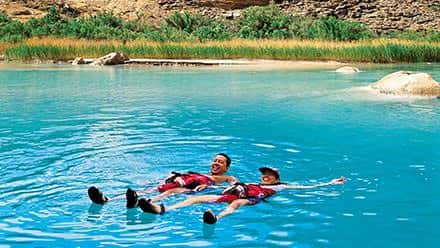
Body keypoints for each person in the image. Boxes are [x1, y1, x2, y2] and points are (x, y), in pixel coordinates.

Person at [138, 167, 345, 224]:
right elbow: (232, 185)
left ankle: (216, 219)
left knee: (237, 203)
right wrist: (205, 188)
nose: (265, 178)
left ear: (275, 179)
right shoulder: (252, 182)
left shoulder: (282, 186)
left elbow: (306, 189)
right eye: (264, 175)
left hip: (251, 199)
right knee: (194, 198)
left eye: (269, 176)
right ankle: (160, 209)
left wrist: (330, 183)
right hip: (235, 193)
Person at [88, 153, 238, 208]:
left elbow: (235, 187)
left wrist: (209, 187)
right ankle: (107, 200)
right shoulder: (200, 172)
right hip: (184, 181)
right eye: (215, 160)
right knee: (154, 188)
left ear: (227, 167)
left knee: (170, 191)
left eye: (220, 162)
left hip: (195, 188)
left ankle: (148, 203)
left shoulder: (226, 177)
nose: (216, 163)